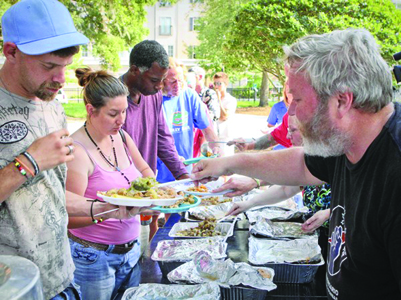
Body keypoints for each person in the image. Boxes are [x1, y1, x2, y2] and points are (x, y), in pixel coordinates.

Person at [191, 28, 401, 299]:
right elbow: (303, 165)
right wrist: (227, 164)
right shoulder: (347, 140)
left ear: (341, 101)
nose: (291, 112)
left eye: (297, 99)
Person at [0, 1, 137, 299]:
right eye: (49, 66)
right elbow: (31, 170)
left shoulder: (53, 108)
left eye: (63, 66)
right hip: (14, 287)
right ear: (11, 51)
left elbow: (52, 195)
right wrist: (28, 162)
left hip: (62, 278)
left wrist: (109, 209)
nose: (61, 79)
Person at [66, 68, 156, 300]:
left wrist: (152, 189)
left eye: (125, 111)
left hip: (131, 251)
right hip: (94, 257)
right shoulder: (77, 150)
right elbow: (68, 218)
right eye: (113, 113)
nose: (121, 120)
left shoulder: (122, 137)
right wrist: (110, 212)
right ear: (90, 110)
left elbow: (145, 170)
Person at [227, 115, 331, 257]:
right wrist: (249, 203)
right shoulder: (309, 158)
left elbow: (360, 202)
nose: (287, 136)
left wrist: (329, 213)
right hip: (316, 235)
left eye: (292, 130)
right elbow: (286, 188)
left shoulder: (334, 157)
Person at [121, 40, 189, 239]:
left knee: (150, 246)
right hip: (122, 195)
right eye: (153, 80)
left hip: (148, 188)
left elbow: (162, 137)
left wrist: (183, 176)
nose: (160, 86)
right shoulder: (113, 99)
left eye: (162, 80)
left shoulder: (154, 95)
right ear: (134, 70)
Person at [156, 59, 218, 183]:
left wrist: (215, 147)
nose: (177, 85)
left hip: (186, 169)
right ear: (162, 82)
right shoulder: (153, 98)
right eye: (172, 81)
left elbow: (207, 127)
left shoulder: (189, 95)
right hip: (159, 172)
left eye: (180, 80)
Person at [189, 66, 221, 158]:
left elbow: (215, 115)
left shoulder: (209, 93)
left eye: (192, 77)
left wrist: (199, 115)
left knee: (206, 156)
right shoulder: (189, 93)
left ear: (199, 77)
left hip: (207, 132)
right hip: (194, 133)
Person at [214, 72, 237, 142]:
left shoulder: (231, 100)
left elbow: (224, 116)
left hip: (225, 137)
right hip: (214, 135)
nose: (216, 86)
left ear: (225, 84)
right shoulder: (212, 99)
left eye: (219, 83)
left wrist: (219, 100)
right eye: (215, 84)